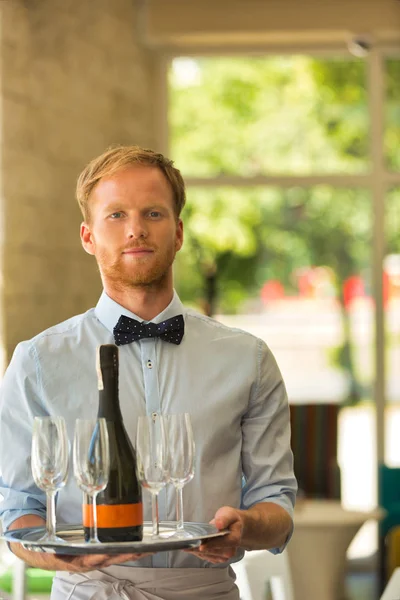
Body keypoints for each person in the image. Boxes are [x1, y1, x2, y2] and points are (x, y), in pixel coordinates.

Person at [0, 145, 297, 599]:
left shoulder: (247, 359)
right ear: (87, 237)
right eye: (115, 215)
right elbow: (18, 510)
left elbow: (276, 505)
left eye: (153, 213)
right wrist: (65, 556)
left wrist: (248, 527)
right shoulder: (37, 362)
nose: (136, 229)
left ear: (178, 232)